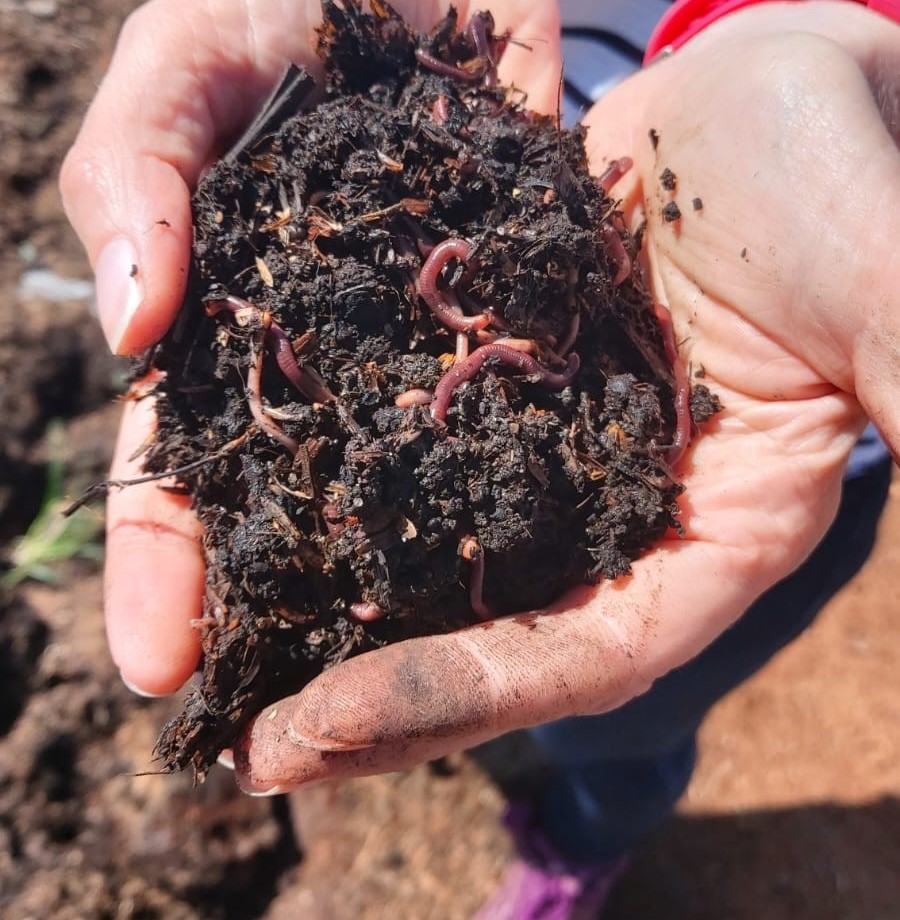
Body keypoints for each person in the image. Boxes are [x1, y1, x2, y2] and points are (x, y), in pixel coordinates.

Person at [60, 1, 900, 917]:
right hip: (540, 141)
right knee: (506, 697)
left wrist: (855, 47)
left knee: (627, 727)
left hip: (760, 408)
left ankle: (587, 838)